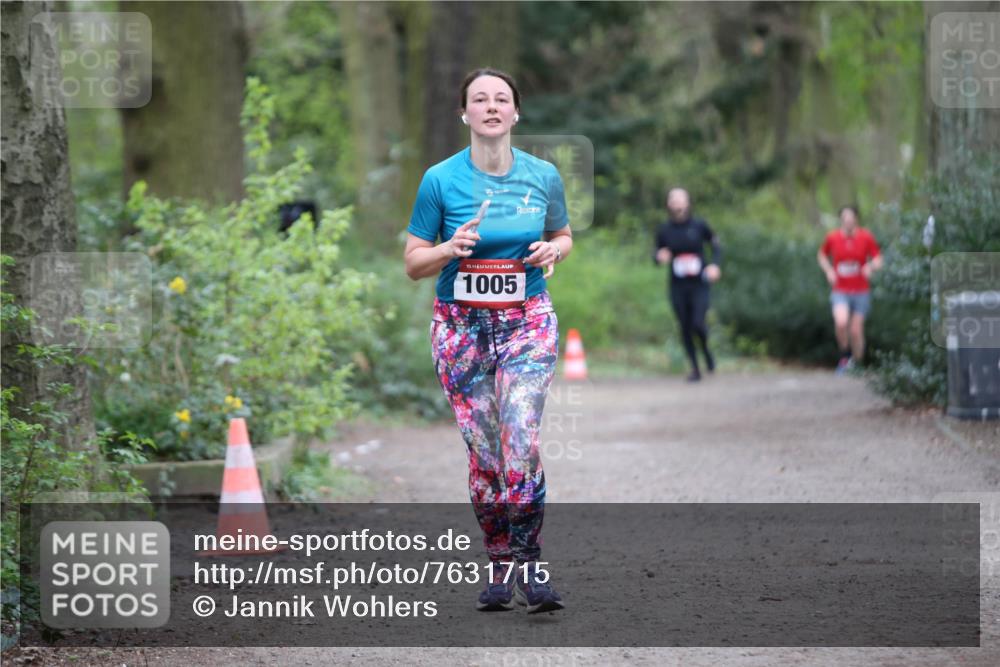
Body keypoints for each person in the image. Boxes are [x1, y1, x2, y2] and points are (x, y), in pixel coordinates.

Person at [404, 68, 572, 614]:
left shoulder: (543, 175)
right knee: (485, 455)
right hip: (460, 329)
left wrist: (555, 251)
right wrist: (450, 247)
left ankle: (531, 560)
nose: (492, 106)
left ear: (516, 112)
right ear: (465, 113)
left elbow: (562, 234)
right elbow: (412, 263)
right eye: (481, 99)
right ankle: (498, 561)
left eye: (502, 99)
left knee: (519, 436)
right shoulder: (440, 180)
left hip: (526, 320)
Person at [653, 188, 722, 382]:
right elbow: (656, 254)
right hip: (678, 286)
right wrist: (659, 257)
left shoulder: (700, 226)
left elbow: (716, 245)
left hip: (699, 284)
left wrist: (715, 265)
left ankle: (707, 352)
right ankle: (695, 368)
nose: (676, 202)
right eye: (672, 199)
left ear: (688, 202)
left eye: (680, 199)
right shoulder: (665, 230)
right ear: (668, 204)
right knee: (684, 326)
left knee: (698, 323)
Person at [817, 205, 882, 373]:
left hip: (861, 290)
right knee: (841, 322)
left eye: (851, 217)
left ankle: (858, 364)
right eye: (845, 217)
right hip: (840, 290)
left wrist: (870, 267)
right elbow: (822, 255)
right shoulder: (832, 238)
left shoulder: (866, 237)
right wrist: (829, 270)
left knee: (855, 330)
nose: (848, 220)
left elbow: (878, 258)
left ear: (856, 219)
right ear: (841, 220)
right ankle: (845, 357)